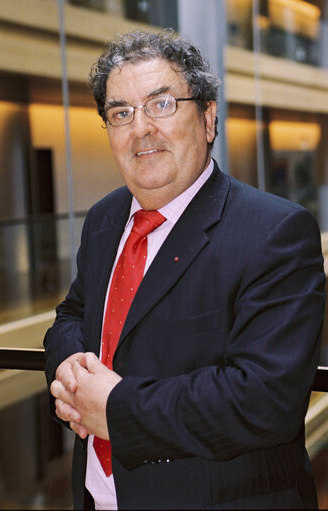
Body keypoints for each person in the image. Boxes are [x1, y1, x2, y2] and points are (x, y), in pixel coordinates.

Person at [44, 30, 326, 510]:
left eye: (161, 105)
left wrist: (113, 409)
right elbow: (73, 313)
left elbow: (263, 401)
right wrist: (70, 368)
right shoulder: (104, 220)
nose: (140, 128)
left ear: (209, 117)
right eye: (121, 113)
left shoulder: (276, 232)